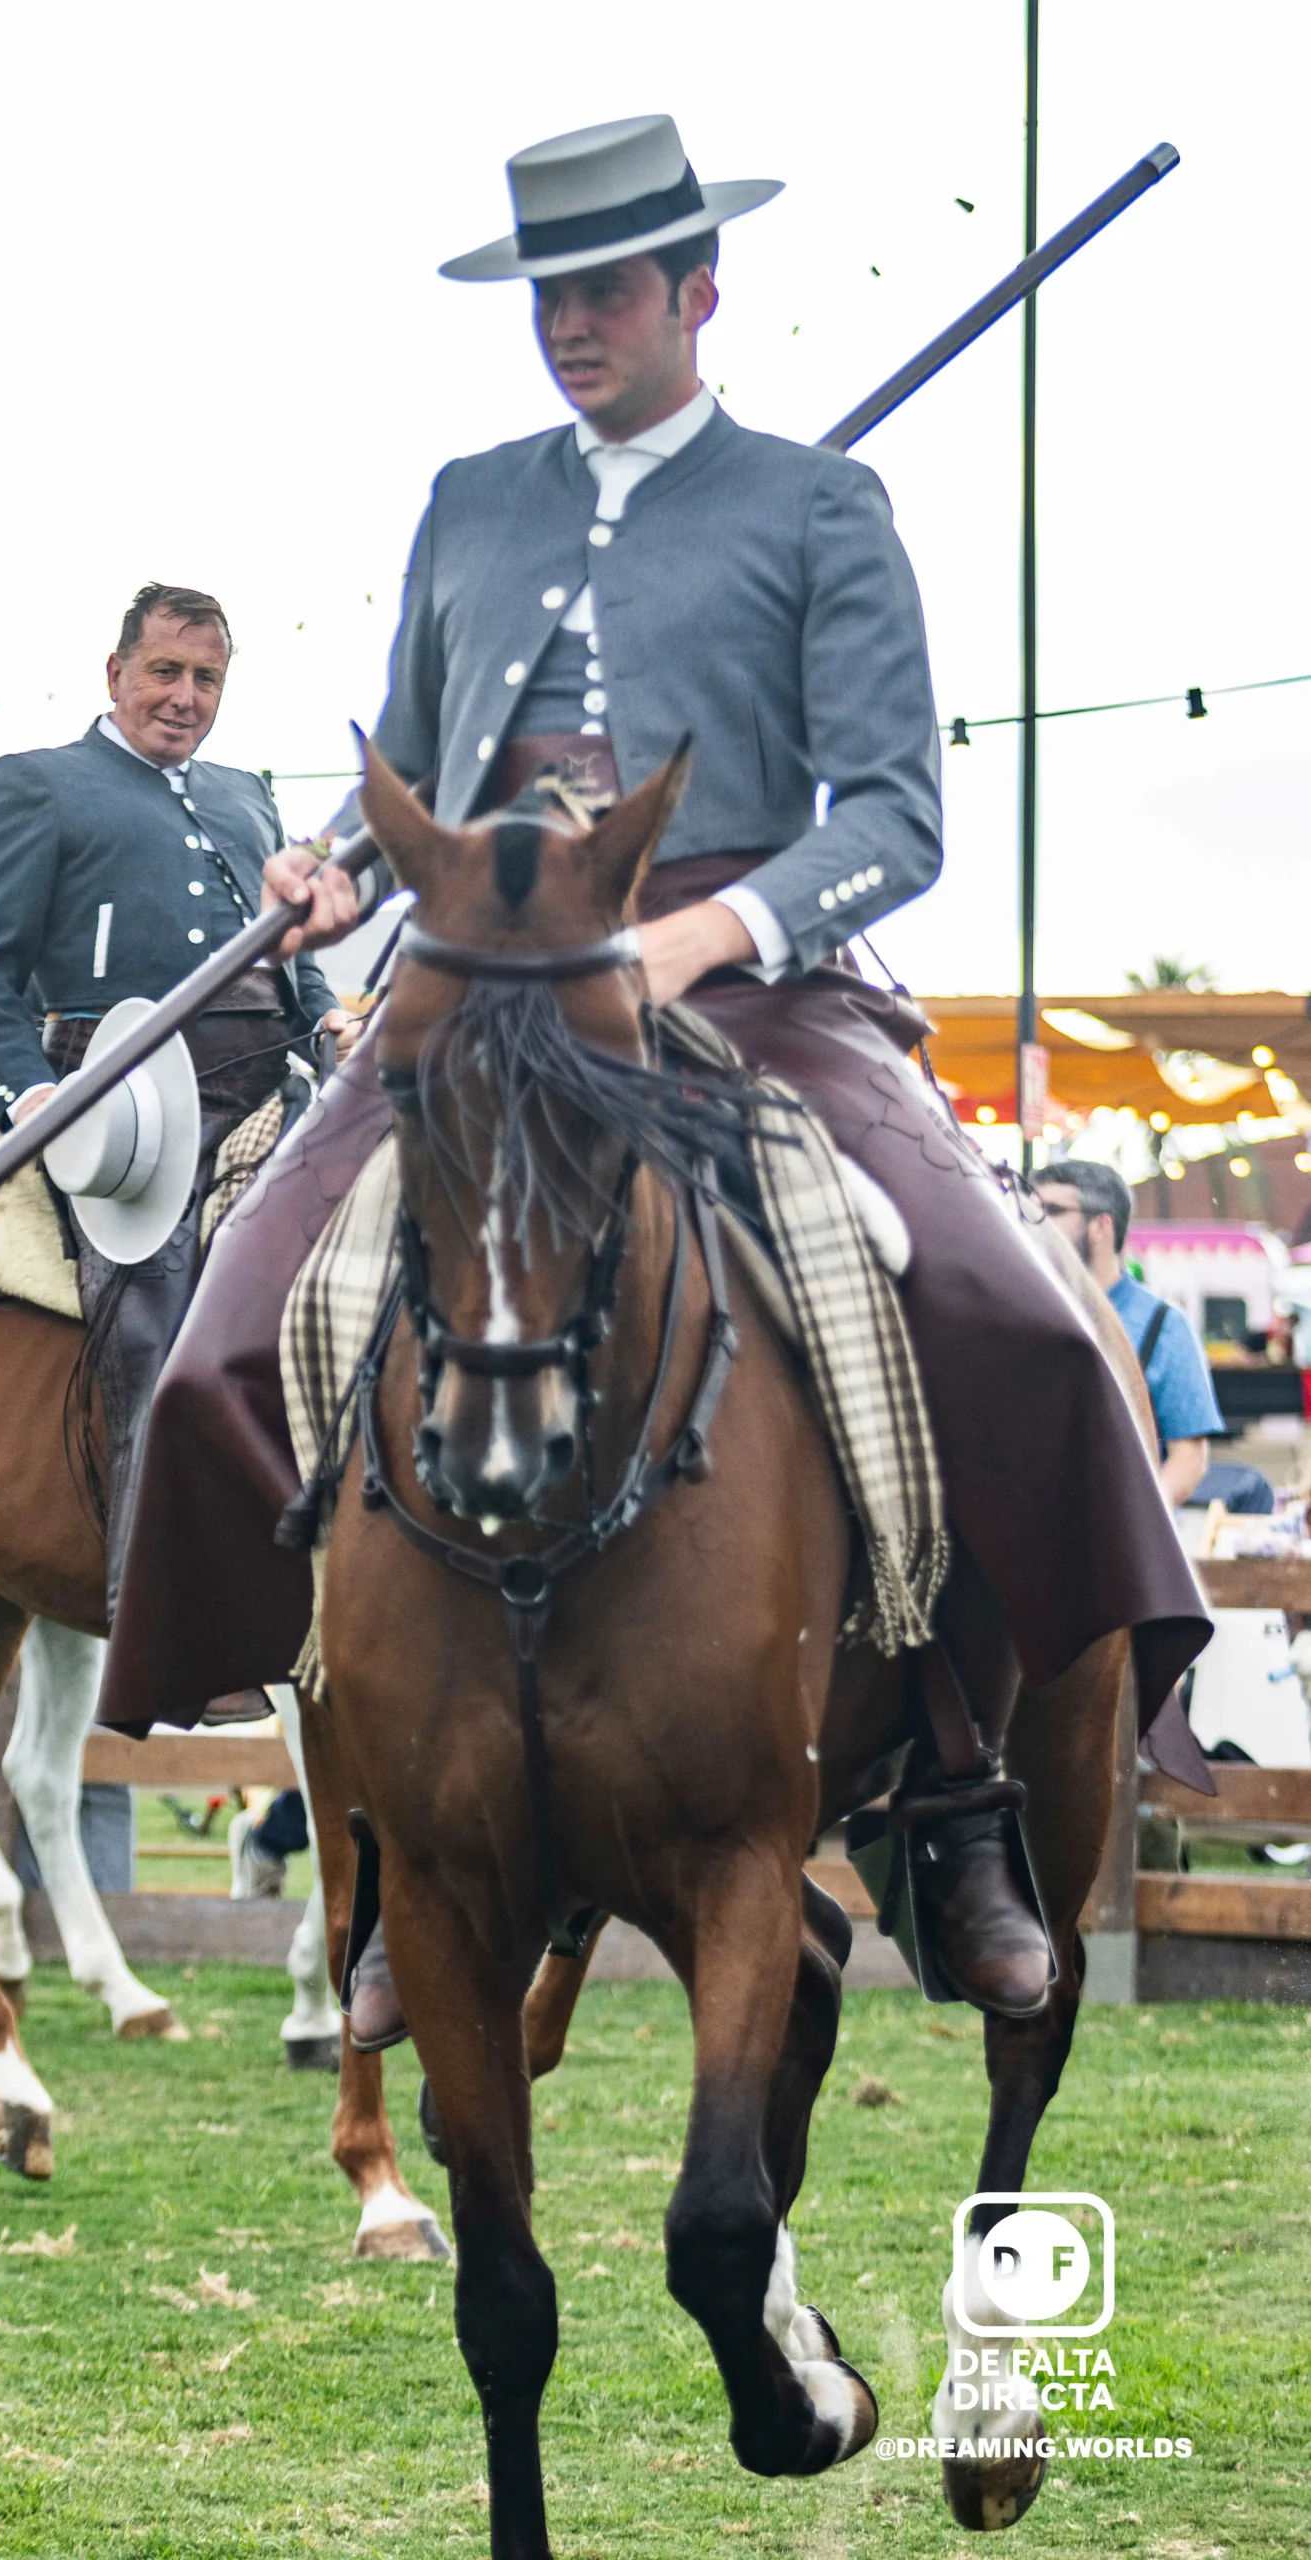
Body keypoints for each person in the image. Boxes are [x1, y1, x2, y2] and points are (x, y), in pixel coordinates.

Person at [100, 115, 1211, 2030]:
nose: (573, 327)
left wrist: (704, 934)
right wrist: (333, 866)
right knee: (227, 1329)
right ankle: (384, 1838)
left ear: (700, 290)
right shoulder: (469, 501)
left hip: (743, 981)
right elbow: (423, 782)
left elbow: (895, 815)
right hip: (476, 973)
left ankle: (953, 1784)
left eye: (608, 290)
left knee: (998, 1321)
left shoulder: (815, 506)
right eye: (550, 295)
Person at [0, 585, 349, 1605]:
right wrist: (35, 1100)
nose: (184, 696)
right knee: (155, 1322)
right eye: (164, 672)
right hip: (126, 1109)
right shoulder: (36, 783)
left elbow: (290, 952)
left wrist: (334, 1016)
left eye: (205, 678)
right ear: (115, 674)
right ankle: (157, 1607)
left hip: (277, 1087)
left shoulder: (246, 794)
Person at [1033, 1160, 1224, 1506]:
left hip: (1122, 1543)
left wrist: (1138, 1527)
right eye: (1032, 1211)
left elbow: (1189, 1459)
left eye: (1053, 1211)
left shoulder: (1162, 1325)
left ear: (1102, 1225)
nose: (1035, 1224)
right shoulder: (1028, 1314)